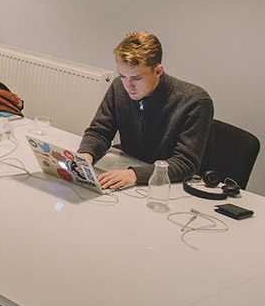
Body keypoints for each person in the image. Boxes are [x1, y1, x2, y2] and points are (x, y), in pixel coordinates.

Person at [78, 32, 213, 191]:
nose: (128, 86)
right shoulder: (119, 87)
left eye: (136, 78)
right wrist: (85, 156)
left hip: (171, 187)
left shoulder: (195, 102)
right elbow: (99, 131)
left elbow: (185, 163)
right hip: (131, 173)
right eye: (123, 76)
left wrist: (134, 175)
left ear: (158, 71)